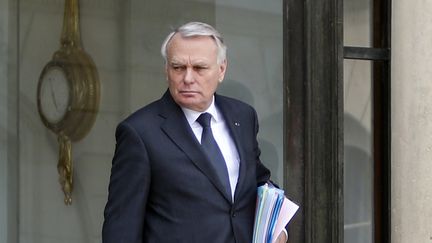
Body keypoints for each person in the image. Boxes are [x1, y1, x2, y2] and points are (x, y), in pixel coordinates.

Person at [102, 21, 288, 243]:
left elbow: (258, 182)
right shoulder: (139, 132)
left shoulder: (242, 116)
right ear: (166, 70)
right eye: (178, 67)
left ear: (221, 70)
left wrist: (278, 229)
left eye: (199, 68)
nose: (188, 78)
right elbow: (121, 227)